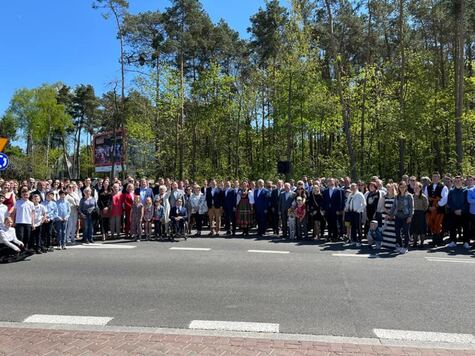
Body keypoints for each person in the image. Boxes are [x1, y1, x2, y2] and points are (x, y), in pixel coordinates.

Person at [424, 172, 448, 247]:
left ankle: (438, 240)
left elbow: (445, 198)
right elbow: (425, 198)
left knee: (438, 224)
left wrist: (437, 205)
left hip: (439, 209)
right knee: (431, 223)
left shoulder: (443, 187)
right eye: (433, 176)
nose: (435, 178)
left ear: (439, 178)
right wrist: (429, 206)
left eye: (436, 177)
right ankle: (434, 240)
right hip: (430, 209)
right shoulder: (427, 187)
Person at [389, 181, 414, 254]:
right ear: (398, 188)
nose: (402, 188)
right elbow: (394, 206)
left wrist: (410, 216)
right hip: (398, 216)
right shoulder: (397, 196)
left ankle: (406, 247)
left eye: (403, 187)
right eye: (400, 187)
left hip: (406, 216)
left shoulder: (409, 196)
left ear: (406, 187)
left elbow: (411, 207)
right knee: (397, 232)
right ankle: (399, 246)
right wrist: (390, 215)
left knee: (406, 232)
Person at [446, 175, 466, 248]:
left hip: (463, 213)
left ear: (462, 181)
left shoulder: (465, 190)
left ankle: (466, 242)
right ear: (454, 182)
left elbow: (466, 202)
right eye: (456, 181)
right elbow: (449, 202)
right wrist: (454, 210)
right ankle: (453, 241)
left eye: (459, 180)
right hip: (453, 212)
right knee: (452, 228)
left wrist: (461, 210)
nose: (458, 182)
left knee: (465, 227)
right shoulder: (451, 191)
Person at [411, 182, 428, 247]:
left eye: (417, 188)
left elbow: (426, 207)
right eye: (415, 187)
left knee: (422, 229)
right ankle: (415, 242)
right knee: (414, 228)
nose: (416, 189)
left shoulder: (424, 197)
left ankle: (422, 243)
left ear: (420, 188)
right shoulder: (412, 196)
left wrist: (421, 211)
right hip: (413, 213)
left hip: (421, 214)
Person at [381, 183, 397, 249]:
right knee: (386, 229)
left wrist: (392, 214)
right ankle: (385, 244)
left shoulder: (396, 197)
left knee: (393, 230)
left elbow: (396, 207)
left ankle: (393, 245)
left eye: (390, 188)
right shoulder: (384, 196)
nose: (388, 189)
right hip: (385, 215)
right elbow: (382, 206)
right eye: (387, 188)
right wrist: (388, 213)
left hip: (394, 215)